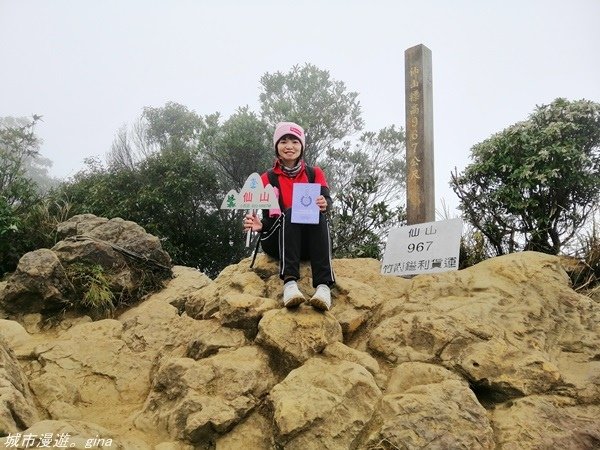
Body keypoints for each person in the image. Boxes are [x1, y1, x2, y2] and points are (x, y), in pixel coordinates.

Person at [243, 122, 335, 311]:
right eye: (283, 141)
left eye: (294, 141)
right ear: (277, 146)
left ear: (302, 146)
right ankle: (290, 285)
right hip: (278, 242)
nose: (289, 146)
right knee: (291, 213)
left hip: (308, 243)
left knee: (318, 215)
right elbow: (269, 220)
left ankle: (323, 287)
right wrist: (261, 226)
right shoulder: (266, 179)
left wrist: (324, 204)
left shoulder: (314, 173)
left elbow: (327, 201)